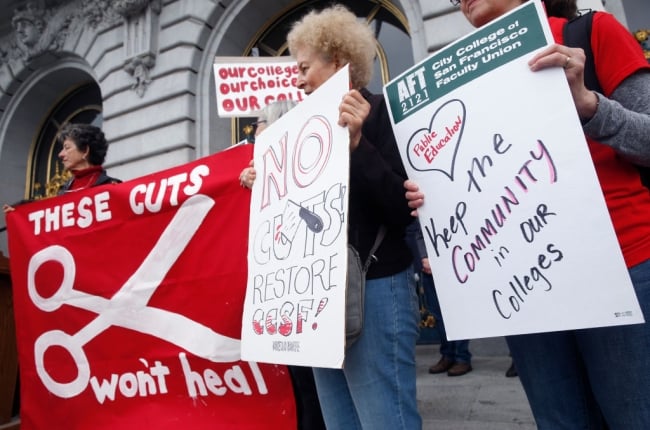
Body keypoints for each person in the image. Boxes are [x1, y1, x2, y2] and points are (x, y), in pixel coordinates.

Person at [406, 0, 650, 428]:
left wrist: (590, 105)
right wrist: (432, 203)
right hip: (524, 285)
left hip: (623, 266)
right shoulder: (453, 81)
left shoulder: (591, 32)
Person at [246, 5, 422, 428]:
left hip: (375, 287)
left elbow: (402, 210)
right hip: (316, 299)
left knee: (384, 418)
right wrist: (266, 184)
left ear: (339, 61)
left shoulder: (381, 113)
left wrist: (359, 145)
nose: (299, 78)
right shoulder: (298, 134)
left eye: (305, 66)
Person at [237, 100, 326, 430]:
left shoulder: (307, 159)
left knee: (314, 381)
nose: (254, 127)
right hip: (280, 289)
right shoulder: (258, 168)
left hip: (305, 285)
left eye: (260, 120)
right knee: (299, 380)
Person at [3, 123, 120, 213]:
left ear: (85, 150)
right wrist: (20, 212)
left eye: (67, 148)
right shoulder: (63, 191)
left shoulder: (112, 186)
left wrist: (117, 196)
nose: (60, 154)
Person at [411, 222, 473, 376]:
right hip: (430, 269)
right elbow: (420, 234)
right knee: (438, 315)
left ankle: (462, 358)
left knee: (458, 314)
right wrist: (424, 257)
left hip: (455, 264)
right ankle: (448, 355)